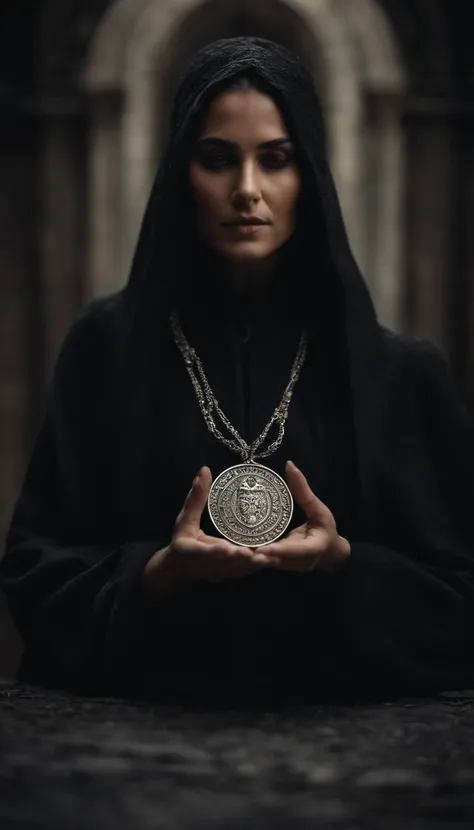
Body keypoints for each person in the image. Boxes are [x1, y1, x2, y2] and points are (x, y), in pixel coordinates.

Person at [1, 36, 474, 706]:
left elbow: (460, 602)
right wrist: (157, 574)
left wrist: (344, 565)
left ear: (309, 172)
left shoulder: (400, 374)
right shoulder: (107, 348)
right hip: (137, 764)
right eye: (218, 159)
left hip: (344, 769)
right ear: (180, 174)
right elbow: (32, 575)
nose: (247, 190)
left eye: (275, 160)